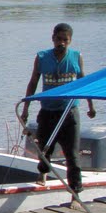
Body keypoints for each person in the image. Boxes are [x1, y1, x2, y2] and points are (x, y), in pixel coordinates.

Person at [21, 23, 96, 193]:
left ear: (70, 41)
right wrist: (26, 108)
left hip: (69, 112)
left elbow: (84, 83)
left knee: (73, 155)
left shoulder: (76, 57)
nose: (61, 43)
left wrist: (91, 106)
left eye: (65, 40)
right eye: (58, 39)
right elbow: (33, 82)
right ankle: (43, 174)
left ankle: (75, 192)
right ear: (53, 38)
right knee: (45, 149)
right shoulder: (41, 57)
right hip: (48, 111)